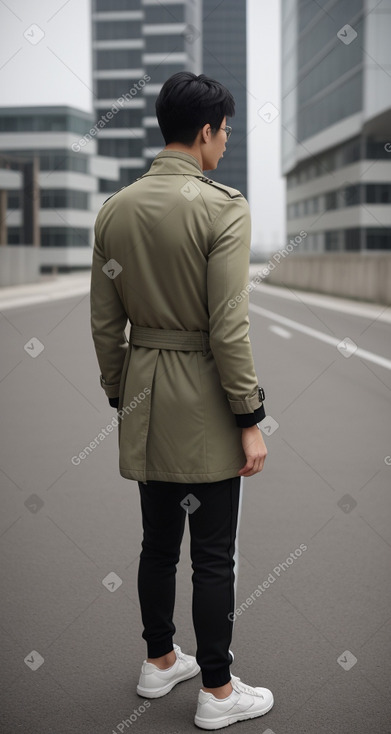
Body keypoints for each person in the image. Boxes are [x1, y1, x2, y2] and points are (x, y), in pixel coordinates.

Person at [90, 71, 274, 729]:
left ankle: (160, 659)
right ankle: (218, 694)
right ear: (203, 133)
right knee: (214, 554)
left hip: (145, 395)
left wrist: (121, 394)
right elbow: (228, 325)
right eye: (224, 132)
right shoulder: (222, 206)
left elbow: (106, 323)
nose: (224, 143)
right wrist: (249, 416)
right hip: (203, 401)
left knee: (158, 543)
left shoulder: (115, 209)